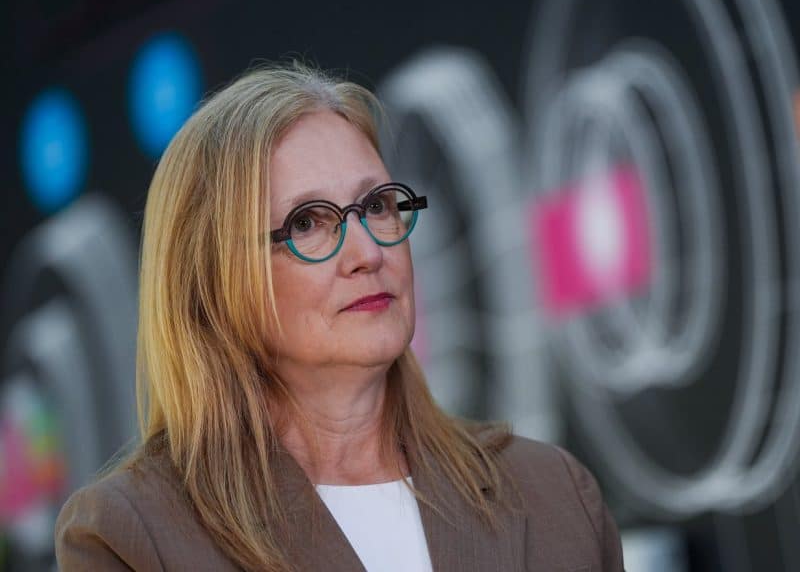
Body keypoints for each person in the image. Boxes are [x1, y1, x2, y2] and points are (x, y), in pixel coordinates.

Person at [54, 61, 625, 571]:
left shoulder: (556, 494)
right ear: (210, 285)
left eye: (376, 206)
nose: (368, 254)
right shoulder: (130, 537)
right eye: (307, 222)